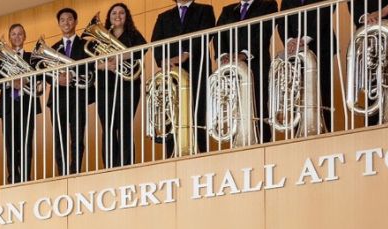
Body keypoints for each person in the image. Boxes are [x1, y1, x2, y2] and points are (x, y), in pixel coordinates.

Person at [151, 0, 216, 156]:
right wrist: (163, 61)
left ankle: (201, 152)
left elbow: (206, 33)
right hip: (172, 71)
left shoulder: (205, 10)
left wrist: (187, 54)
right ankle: (172, 155)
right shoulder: (163, 17)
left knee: (198, 110)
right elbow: (156, 42)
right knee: (172, 111)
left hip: (197, 67)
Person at [214, 0, 279, 144]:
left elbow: (265, 30)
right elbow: (218, 34)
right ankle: (237, 142)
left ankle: (262, 142)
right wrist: (223, 55)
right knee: (233, 105)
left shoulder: (268, 5)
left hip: (256, 64)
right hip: (231, 67)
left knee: (258, 103)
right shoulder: (227, 10)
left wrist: (243, 54)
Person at [93, 4, 147, 168]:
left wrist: (120, 57)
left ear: (126, 16)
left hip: (128, 87)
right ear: (109, 17)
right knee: (108, 127)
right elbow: (90, 62)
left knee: (125, 125)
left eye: (121, 13)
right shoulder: (101, 36)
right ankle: (110, 166)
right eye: (114, 13)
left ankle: (126, 164)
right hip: (105, 88)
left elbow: (142, 50)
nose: (118, 16)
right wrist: (104, 65)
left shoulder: (133, 35)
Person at [277, 0, 336, 135]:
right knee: (296, 91)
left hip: (321, 47)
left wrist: (304, 39)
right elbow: (282, 20)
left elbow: (325, 12)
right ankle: (298, 131)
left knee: (322, 89)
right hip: (294, 51)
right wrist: (289, 40)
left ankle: (325, 130)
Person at [49, 8, 94, 176]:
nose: (66, 22)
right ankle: (62, 171)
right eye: (62, 20)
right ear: (59, 24)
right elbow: (45, 72)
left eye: (69, 19)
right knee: (59, 137)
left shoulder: (85, 45)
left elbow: (91, 67)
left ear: (75, 22)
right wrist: (56, 79)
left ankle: (75, 169)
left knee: (77, 136)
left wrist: (73, 74)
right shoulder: (53, 48)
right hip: (58, 98)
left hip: (78, 96)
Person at [0, 23, 42, 184]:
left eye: (20, 34)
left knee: (26, 142)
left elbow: (40, 78)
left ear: (25, 37)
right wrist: (11, 82)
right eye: (13, 34)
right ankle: (13, 177)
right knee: (10, 143)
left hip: (26, 104)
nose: (17, 37)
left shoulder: (32, 57)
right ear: (9, 38)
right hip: (8, 106)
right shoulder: (2, 59)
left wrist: (26, 80)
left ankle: (25, 176)